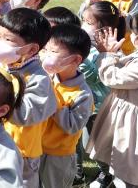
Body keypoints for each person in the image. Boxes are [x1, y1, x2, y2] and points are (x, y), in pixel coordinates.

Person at [87, 8, 138, 188]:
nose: (131, 36)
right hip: (137, 118)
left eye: (133, 32)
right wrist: (115, 54)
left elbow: (113, 77)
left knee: (128, 168)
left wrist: (106, 55)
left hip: (133, 126)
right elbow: (129, 67)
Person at [0, 8, 56, 188]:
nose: (0, 43)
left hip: (22, 153)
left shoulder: (39, 79)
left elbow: (25, 115)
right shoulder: (5, 66)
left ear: (31, 49)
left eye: (8, 40)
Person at [39, 24, 93, 188]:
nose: (47, 55)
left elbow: (71, 126)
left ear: (76, 60)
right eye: (46, 50)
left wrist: (51, 96)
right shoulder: (48, 78)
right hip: (34, 148)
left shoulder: (83, 94)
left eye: (54, 52)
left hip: (58, 157)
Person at [76, 1, 124, 185]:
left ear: (104, 29)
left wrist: (79, 58)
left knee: (99, 146)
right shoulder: (86, 44)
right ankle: (96, 172)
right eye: (84, 20)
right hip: (84, 103)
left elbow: (96, 77)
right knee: (85, 144)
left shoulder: (109, 51)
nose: (83, 26)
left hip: (100, 108)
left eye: (89, 22)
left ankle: (109, 174)